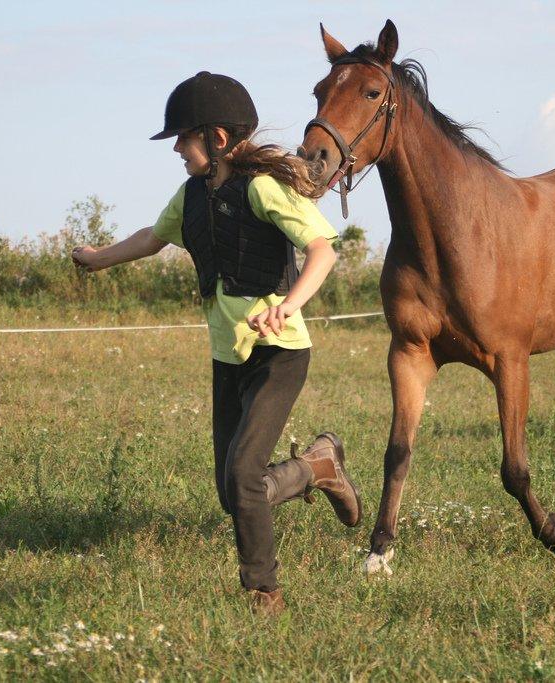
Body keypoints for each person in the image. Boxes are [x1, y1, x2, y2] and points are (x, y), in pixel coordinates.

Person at [71, 71, 362, 616]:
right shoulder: (190, 198)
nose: (178, 149)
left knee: (244, 475)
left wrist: (288, 304)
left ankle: (264, 593)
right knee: (233, 493)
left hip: (280, 356)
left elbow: (322, 251)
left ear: (219, 139)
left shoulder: (264, 188)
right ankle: (320, 466)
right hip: (227, 359)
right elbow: (151, 239)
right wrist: (97, 258)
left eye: (184, 137)